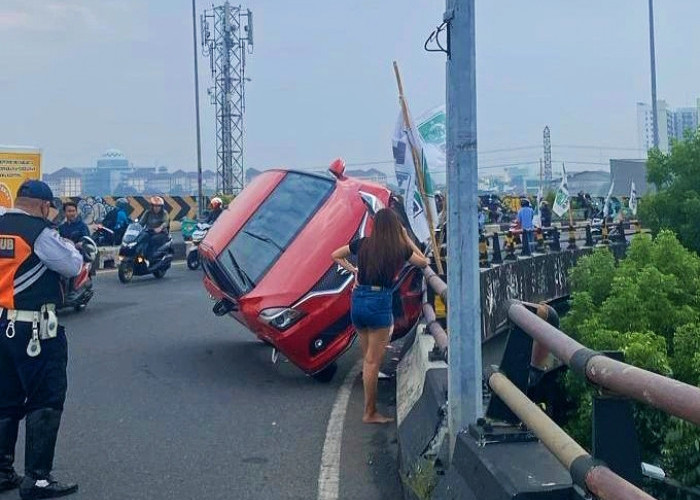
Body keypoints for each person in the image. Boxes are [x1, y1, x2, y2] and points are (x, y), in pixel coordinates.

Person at [0, 180, 83, 498]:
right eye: (51, 208)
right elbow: (72, 263)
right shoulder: (40, 233)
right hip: (35, 331)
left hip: (3, 325)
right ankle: (37, 479)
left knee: (5, 400)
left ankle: (3, 471)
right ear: (41, 205)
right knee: (45, 399)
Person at [331, 209, 429, 424]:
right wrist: (406, 238)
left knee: (368, 357)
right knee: (373, 361)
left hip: (358, 299)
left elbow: (335, 255)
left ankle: (370, 405)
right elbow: (423, 262)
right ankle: (370, 412)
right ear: (395, 227)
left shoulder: (363, 243)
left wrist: (353, 270)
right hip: (379, 302)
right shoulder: (399, 248)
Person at [139, 196, 170, 261]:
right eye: (155, 206)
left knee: (153, 240)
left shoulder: (164, 213)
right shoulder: (148, 213)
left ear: (161, 207)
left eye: (159, 206)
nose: (156, 208)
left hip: (161, 233)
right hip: (149, 231)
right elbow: (141, 222)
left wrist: (160, 228)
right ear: (152, 206)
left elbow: (166, 222)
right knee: (141, 239)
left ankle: (153, 257)